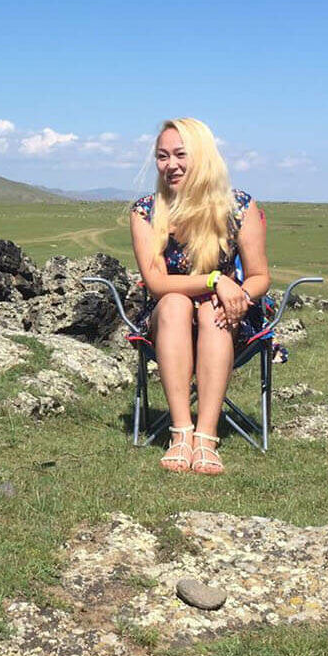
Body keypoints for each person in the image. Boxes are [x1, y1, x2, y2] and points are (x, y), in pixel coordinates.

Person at [129, 118, 270, 475]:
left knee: (212, 309)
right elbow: (158, 283)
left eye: (180, 154)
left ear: (203, 156)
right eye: (162, 156)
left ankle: (206, 437)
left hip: (227, 317)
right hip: (167, 318)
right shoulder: (145, 211)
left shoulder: (239, 206)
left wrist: (234, 293)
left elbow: (259, 277)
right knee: (176, 303)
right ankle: (181, 433)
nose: (170, 165)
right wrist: (213, 280)